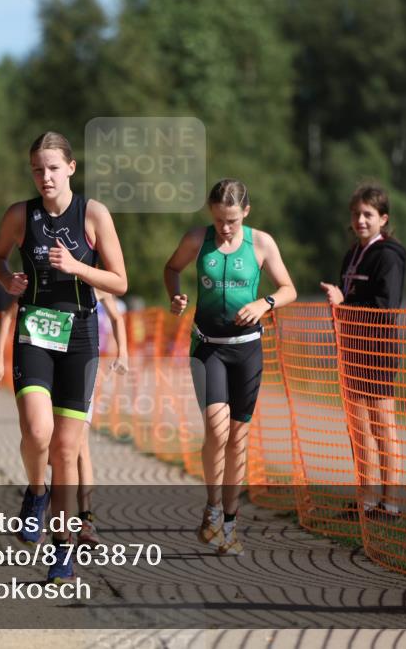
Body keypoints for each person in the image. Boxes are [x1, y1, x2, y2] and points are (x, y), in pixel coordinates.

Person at [0, 131, 127, 583]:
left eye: (52, 168)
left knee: (67, 448)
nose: (44, 177)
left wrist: (77, 267)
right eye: (37, 169)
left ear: (70, 167)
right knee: (36, 430)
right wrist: (6, 276)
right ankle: (35, 491)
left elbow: (119, 282)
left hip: (82, 332)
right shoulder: (19, 215)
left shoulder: (93, 214)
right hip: (35, 327)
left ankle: (62, 549)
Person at [164, 178, 297, 555]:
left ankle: (230, 524)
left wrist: (264, 303)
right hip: (208, 348)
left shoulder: (262, 243)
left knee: (238, 438)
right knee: (217, 431)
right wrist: (175, 296)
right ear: (211, 212)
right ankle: (211, 508)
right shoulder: (197, 239)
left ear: (246, 213)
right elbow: (171, 269)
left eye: (233, 221)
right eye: (220, 220)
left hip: (247, 350)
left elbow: (289, 288)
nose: (225, 229)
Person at [0, 288, 129, 545]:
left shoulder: (94, 281)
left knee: (78, 446)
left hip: (80, 368)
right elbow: (7, 315)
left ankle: (85, 519)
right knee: (39, 434)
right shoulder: (41, 278)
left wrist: (123, 355)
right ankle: (43, 500)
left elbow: (117, 318)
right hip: (44, 367)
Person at [319, 183, 406, 522]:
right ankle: (367, 500)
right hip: (352, 349)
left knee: (383, 426)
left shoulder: (389, 255)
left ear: (383, 219)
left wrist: (345, 302)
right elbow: (350, 296)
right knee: (359, 429)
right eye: (356, 214)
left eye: (368, 214)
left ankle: (391, 504)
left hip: (379, 350)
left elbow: (385, 305)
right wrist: (339, 300)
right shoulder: (352, 253)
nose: (361, 220)